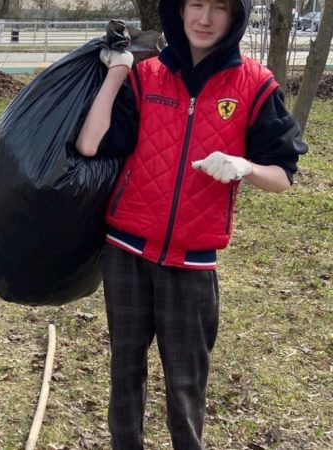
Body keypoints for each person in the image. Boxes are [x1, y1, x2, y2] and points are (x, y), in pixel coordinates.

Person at [75, 0, 307, 449]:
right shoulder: (147, 78)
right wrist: (119, 71)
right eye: (195, 4)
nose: (204, 19)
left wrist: (245, 167)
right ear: (178, 11)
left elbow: (283, 177)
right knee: (124, 377)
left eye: (218, 7)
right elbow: (89, 145)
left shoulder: (256, 86)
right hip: (125, 253)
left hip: (193, 263)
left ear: (235, 16)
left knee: (185, 388)